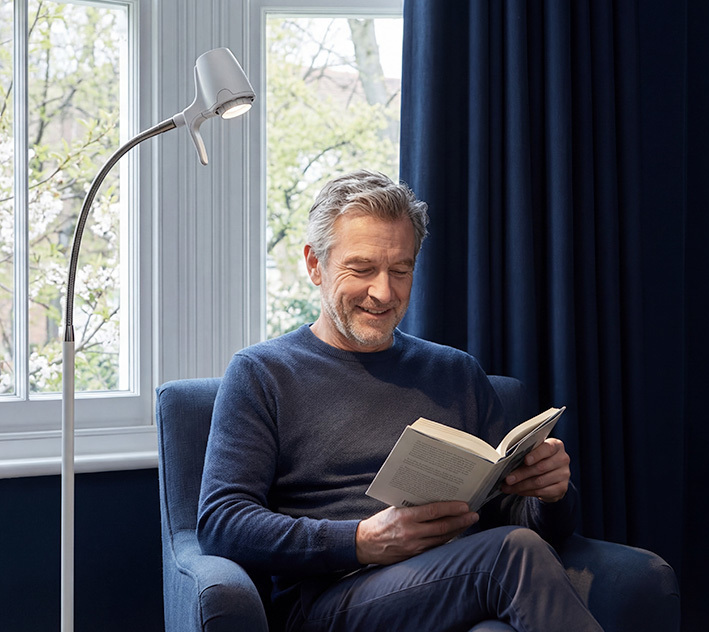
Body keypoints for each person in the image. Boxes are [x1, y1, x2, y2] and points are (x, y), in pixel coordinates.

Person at [198, 170, 602, 631]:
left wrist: (550, 494)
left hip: (455, 580)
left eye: (400, 271)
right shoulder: (262, 373)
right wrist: (358, 540)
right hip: (332, 598)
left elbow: (518, 519)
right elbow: (222, 523)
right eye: (361, 269)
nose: (383, 293)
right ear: (315, 265)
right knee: (512, 555)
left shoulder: (455, 372)